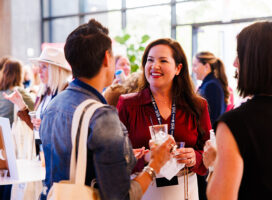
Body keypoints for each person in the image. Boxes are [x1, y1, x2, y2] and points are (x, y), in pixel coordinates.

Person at [39, 19, 175, 200]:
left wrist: (125, 156)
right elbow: (120, 196)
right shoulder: (101, 115)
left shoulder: (54, 105)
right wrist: (155, 165)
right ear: (106, 58)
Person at [206, 21, 272, 200]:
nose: (234, 63)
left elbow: (221, 197)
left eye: (239, 55)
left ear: (256, 61)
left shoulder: (234, 123)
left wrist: (214, 164)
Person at [117, 38, 211, 200]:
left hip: (185, 189)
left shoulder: (198, 105)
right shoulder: (128, 104)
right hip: (143, 188)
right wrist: (146, 158)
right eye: (150, 60)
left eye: (163, 60)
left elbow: (210, 151)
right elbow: (117, 156)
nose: (154, 66)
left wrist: (196, 157)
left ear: (178, 68)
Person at [0, 58, 35, 200]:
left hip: (1, 141)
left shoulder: (1, 90)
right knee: (11, 181)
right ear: (19, 74)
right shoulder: (18, 91)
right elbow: (33, 110)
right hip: (10, 141)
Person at [193, 52, 229, 125]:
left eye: (195, 65)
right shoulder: (209, 84)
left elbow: (213, 118)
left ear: (206, 66)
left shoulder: (212, 86)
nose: (193, 70)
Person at [0, 59, 35, 124]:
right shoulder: (18, 91)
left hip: (2, 131)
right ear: (20, 73)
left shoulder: (2, 91)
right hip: (12, 131)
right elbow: (35, 109)